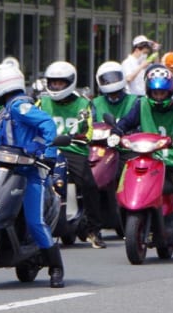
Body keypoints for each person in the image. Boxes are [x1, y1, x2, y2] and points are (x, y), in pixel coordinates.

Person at [0, 61, 65, 288]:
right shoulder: (6, 111)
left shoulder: (20, 107)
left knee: (35, 221)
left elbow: (48, 125)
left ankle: (56, 268)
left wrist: (49, 153)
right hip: (6, 167)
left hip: (30, 171)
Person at [116, 64, 173, 263]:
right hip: (148, 160)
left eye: (162, 93)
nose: (158, 97)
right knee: (122, 188)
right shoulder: (141, 105)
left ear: (170, 92)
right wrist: (116, 133)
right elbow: (126, 123)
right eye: (155, 92)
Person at [38, 61, 104, 249]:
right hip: (46, 149)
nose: (56, 87)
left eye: (60, 83)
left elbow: (88, 129)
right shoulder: (41, 102)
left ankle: (93, 230)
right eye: (53, 83)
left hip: (72, 149)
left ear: (70, 83)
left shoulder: (83, 104)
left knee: (89, 183)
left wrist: (79, 137)